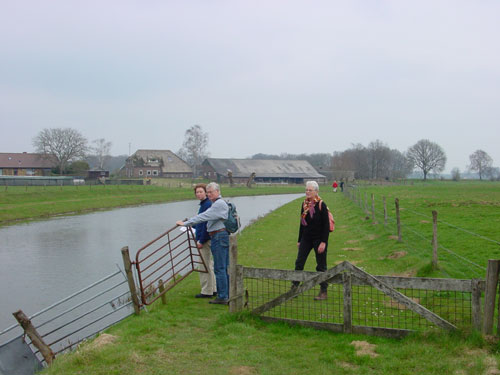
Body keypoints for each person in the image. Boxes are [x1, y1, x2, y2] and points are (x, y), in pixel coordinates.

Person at [176, 182, 230, 305]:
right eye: (208, 192)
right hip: (219, 235)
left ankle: (223, 297)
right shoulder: (216, 203)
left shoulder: (218, 204)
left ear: (218, 192)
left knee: (220, 268)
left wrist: (186, 223)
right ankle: (226, 293)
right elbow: (204, 217)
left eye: (211, 192)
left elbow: (203, 217)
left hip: (218, 236)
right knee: (222, 267)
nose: (208, 194)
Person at [293, 181, 330, 300]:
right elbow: (302, 224)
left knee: (321, 265)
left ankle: (323, 291)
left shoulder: (321, 204)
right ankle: (294, 288)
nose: (308, 192)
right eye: (306, 190)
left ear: (316, 192)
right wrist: (299, 240)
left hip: (319, 239)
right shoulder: (304, 204)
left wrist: (323, 242)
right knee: (299, 262)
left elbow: (326, 225)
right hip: (306, 238)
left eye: (310, 190)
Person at [192, 183, 216, 299]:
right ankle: (213, 289)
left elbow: (206, 224)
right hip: (207, 238)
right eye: (197, 192)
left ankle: (206, 291)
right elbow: (201, 223)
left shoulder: (206, 205)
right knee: (209, 265)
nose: (199, 194)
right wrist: (193, 226)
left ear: (206, 192)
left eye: (201, 191)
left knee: (203, 265)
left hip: (205, 240)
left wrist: (201, 240)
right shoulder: (205, 204)